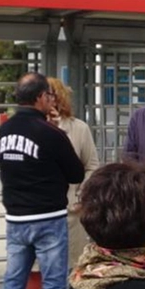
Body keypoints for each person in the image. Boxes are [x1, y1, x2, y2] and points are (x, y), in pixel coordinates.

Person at [0, 72, 85, 289]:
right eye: (48, 95)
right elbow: (76, 173)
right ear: (39, 98)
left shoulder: (3, 132)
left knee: (13, 284)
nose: (52, 99)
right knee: (55, 286)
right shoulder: (50, 133)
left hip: (15, 219)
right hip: (48, 218)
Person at [48, 78, 101, 255]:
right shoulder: (29, 130)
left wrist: (80, 197)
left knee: (70, 267)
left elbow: (92, 165)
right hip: (39, 214)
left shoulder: (79, 129)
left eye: (51, 95)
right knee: (36, 272)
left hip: (70, 214)